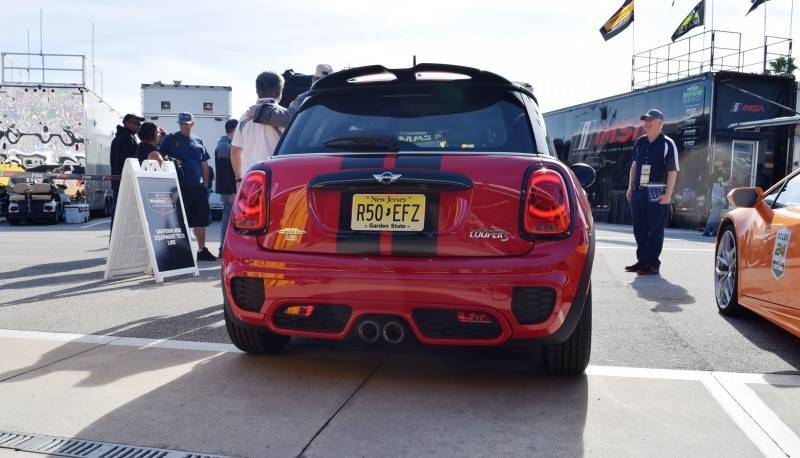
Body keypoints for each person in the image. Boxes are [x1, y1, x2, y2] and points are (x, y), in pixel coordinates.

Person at [625, 109, 680, 276]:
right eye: (645, 120)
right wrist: (630, 187)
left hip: (657, 190)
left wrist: (668, 195)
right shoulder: (640, 142)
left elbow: (673, 171)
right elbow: (634, 166)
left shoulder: (667, 144)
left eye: (650, 120)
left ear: (660, 122)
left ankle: (652, 264)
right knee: (639, 229)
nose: (646, 123)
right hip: (638, 190)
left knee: (654, 229)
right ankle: (642, 261)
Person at [159, 112, 216, 262]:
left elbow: (204, 162)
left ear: (193, 124)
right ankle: (179, 251)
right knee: (178, 220)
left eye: (187, 123)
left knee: (200, 219)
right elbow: (159, 159)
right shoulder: (170, 139)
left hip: (197, 187)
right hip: (178, 187)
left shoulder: (198, 140)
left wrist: (205, 184)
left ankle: (202, 250)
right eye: (182, 123)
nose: (184, 126)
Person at [231, 71, 289, 182]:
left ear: (257, 90)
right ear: (280, 91)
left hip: (250, 178)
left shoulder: (245, 117)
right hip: (277, 177)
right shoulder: (284, 115)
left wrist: (239, 179)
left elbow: (235, 151)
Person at [251, 63, 333, 126]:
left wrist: (260, 113)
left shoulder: (306, 97)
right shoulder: (343, 95)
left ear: (313, 79)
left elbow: (287, 119)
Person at [109, 113, 144, 230]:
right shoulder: (128, 138)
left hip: (117, 183)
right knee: (126, 218)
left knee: (117, 216)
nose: (139, 126)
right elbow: (132, 162)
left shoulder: (117, 138)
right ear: (127, 123)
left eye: (140, 124)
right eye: (136, 124)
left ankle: (114, 244)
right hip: (126, 183)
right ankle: (120, 245)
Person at [215, 119, 238, 255]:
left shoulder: (229, 145)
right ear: (234, 130)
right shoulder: (224, 146)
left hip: (231, 190)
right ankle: (222, 249)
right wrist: (230, 192)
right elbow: (223, 172)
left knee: (230, 217)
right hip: (229, 191)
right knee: (227, 217)